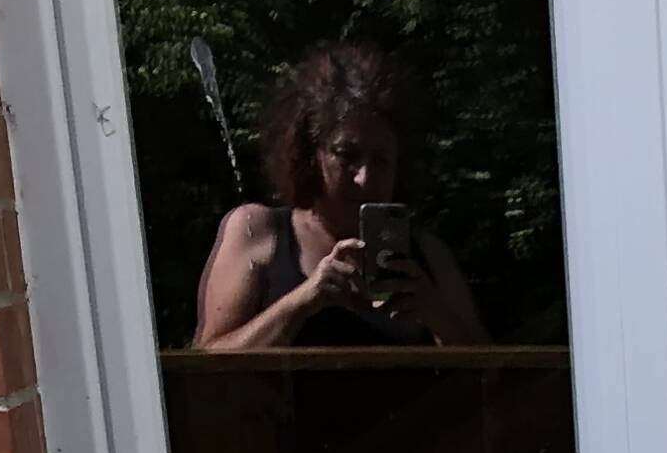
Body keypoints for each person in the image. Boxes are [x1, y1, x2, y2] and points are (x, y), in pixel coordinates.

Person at [193, 41, 486, 355]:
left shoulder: (427, 254)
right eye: (347, 156)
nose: (365, 178)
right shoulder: (258, 231)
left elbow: (494, 381)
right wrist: (303, 301)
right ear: (309, 154)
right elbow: (204, 367)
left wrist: (435, 314)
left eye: (381, 160)